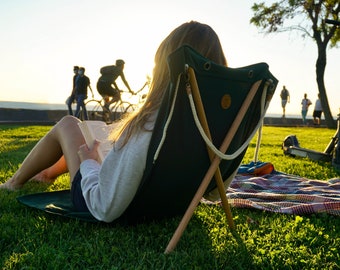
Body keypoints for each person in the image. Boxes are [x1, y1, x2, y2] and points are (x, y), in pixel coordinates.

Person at [0, 21, 227, 223]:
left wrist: (89, 162)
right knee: (92, 139)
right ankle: (47, 174)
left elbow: (104, 207)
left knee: (69, 124)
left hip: (118, 205)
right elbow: (216, 193)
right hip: (173, 204)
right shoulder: (219, 121)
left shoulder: (154, 120)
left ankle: (14, 182)